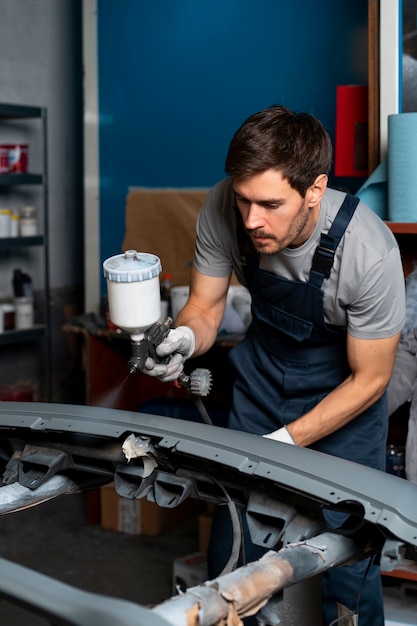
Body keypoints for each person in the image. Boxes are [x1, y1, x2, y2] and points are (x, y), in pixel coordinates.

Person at [144, 105, 405, 625]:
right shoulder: (225, 208)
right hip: (262, 387)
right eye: (243, 200)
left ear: (315, 189)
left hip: (345, 405)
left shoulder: (369, 252)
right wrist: (183, 337)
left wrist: (282, 446)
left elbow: (371, 378)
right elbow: (208, 307)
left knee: (346, 568)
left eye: (269, 204)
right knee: (235, 551)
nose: (250, 220)